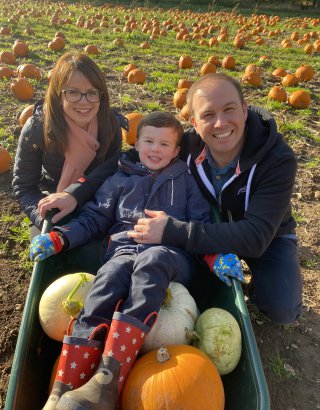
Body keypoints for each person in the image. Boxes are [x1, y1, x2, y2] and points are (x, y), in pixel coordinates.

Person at [39, 73, 302, 326]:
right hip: (208, 227)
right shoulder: (187, 145)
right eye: (208, 115)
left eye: (229, 109)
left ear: (245, 109)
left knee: (281, 310)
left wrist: (173, 230)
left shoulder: (277, 159)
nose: (220, 123)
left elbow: (256, 237)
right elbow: (127, 161)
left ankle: (257, 288)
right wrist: (75, 194)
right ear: (195, 124)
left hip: (266, 237)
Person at [30, 112, 243, 410]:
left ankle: (108, 380)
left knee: (153, 258)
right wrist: (60, 237)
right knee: (108, 277)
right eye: (149, 141)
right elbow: (94, 218)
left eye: (165, 144)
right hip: (124, 252)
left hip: (171, 257)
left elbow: (200, 225)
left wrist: (214, 256)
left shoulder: (185, 181)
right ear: (137, 142)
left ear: (176, 151)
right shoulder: (120, 179)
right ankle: (64, 386)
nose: (156, 149)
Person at [12, 50, 127, 237]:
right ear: (58, 94)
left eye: (92, 93)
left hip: (96, 203)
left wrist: (75, 195)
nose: (84, 102)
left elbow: (110, 173)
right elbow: (24, 185)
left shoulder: (110, 125)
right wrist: (46, 218)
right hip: (50, 200)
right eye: (73, 93)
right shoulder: (37, 129)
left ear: (101, 95)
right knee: (54, 257)